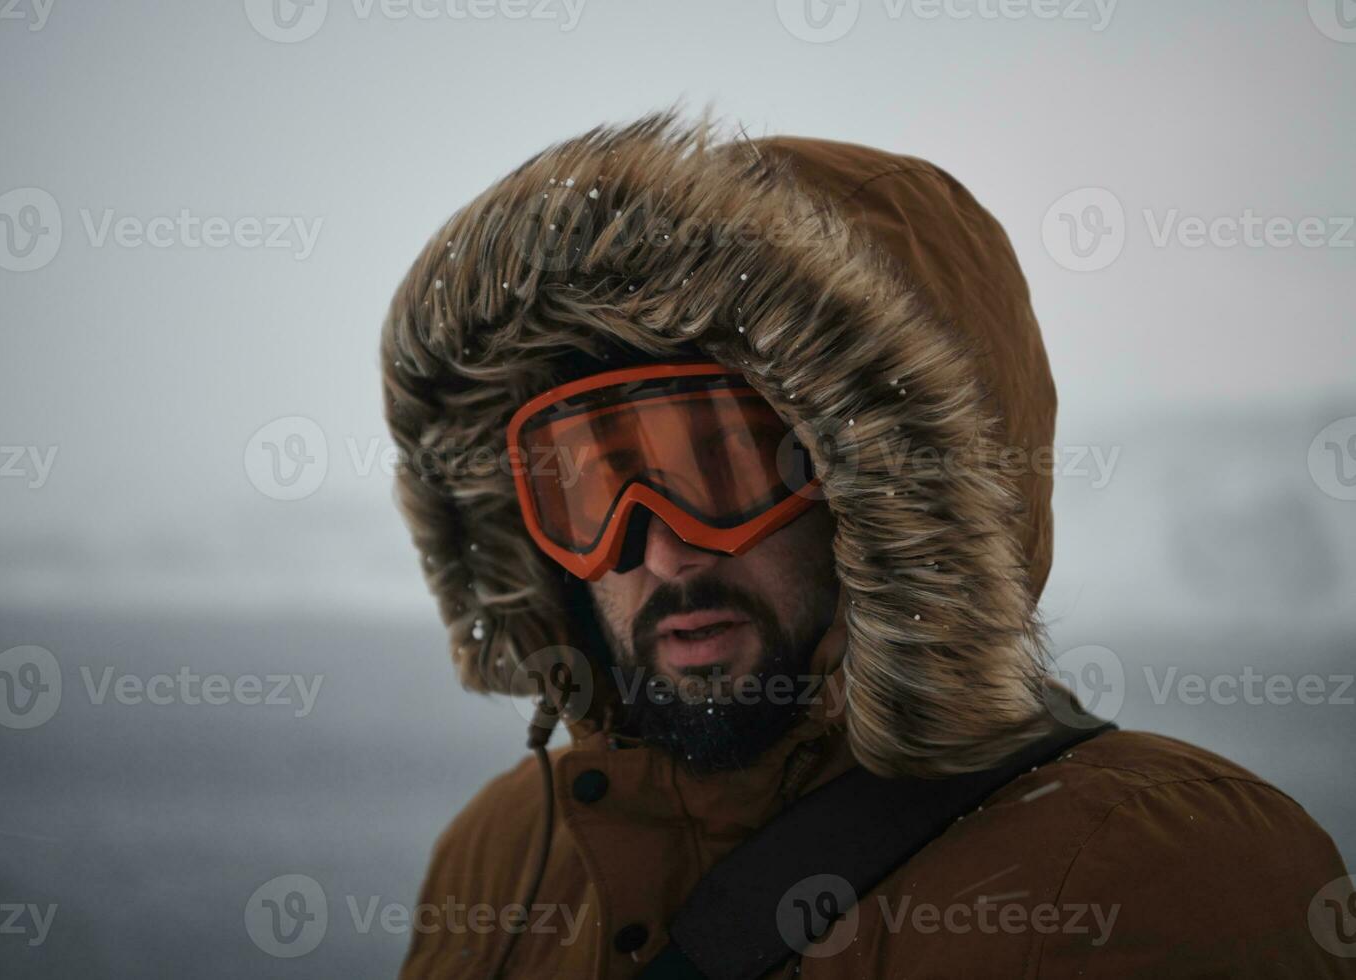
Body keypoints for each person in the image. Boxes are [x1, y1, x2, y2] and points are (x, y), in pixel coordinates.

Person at [380, 112, 1354, 978]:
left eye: (726, 467)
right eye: (589, 485)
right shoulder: (509, 849)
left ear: (878, 491)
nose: (660, 549)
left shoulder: (1158, 865)